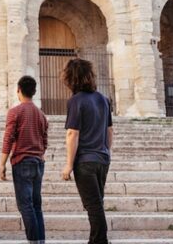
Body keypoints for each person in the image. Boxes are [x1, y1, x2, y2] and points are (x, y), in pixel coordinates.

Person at [60, 58, 113, 244]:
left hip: (85, 161)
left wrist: (68, 165)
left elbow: (72, 133)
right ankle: (96, 239)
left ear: (71, 78)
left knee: (93, 205)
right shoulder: (103, 99)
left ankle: (100, 240)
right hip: (102, 159)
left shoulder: (76, 101)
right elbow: (109, 131)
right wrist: (106, 151)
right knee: (96, 203)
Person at [0, 75, 48, 244]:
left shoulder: (15, 112)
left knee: (25, 205)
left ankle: (33, 241)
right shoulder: (41, 115)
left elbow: (8, 139)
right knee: (36, 205)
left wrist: (2, 164)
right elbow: (45, 141)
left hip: (22, 162)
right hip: (38, 162)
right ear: (34, 92)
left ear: (18, 90)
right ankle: (40, 240)